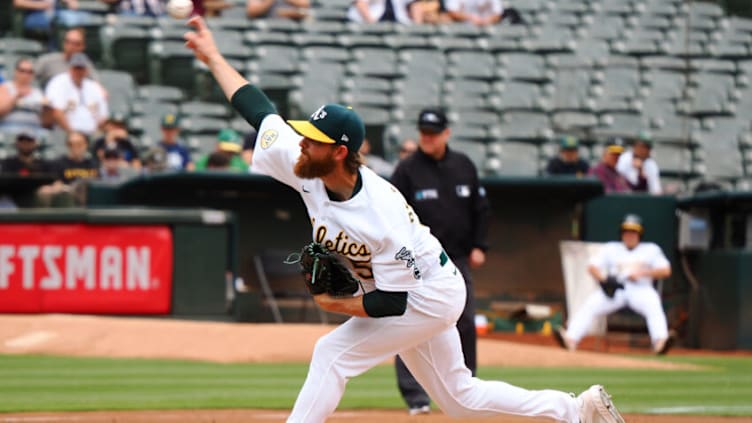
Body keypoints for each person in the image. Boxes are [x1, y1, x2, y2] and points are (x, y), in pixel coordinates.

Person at [183, 16, 626, 423]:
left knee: (331, 354)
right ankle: (576, 410)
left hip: (428, 294)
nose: (301, 143)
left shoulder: (380, 214)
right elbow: (259, 110)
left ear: (340, 152)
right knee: (460, 399)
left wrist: (334, 304)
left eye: (313, 140)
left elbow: (392, 305)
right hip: (412, 288)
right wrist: (214, 57)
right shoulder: (306, 165)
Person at [389, 107, 490, 415]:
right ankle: (416, 397)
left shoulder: (463, 165)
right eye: (423, 133)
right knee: (409, 324)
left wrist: (479, 245)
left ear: (447, 133)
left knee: (465, 321)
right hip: (417, 262)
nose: (427, 138)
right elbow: (391, 213)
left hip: (456, 257)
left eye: (433, 133)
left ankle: (466, 388)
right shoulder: (407, 170)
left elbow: (481, 209)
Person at [553, 214, 674, 355]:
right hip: (616, 290)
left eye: (633, 232)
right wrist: (604, 279)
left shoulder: (651, 249)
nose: (630, 235)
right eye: (627, 232)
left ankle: (660, 342)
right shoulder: (611, 248)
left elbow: (666, 271)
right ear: (622, 234)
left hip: (641, 289)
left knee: (653, 303)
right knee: (591, 303)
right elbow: (592, 267)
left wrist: (642, 273)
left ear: (639, 234)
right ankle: (570, 339)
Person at [44, 53, 108, 136]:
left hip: (92, 134)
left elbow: (103, 117)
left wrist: (95, 134)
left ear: (86, 70)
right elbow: (56, 112)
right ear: (70, 68)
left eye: (81, 68)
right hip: (65, 133)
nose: (78, 71)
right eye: (76, 68)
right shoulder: (59, 82)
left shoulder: (94, 87)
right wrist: (71, 133)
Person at [38, 131, 99, 206]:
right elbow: (55, 185)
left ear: (86, 144)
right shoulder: (58, 163)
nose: (75, 147)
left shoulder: (93, 164)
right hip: (66, 200)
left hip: (90, 200)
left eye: (79, 144)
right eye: (71, 144)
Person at [0, 58, 52, 138]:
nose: (25, 74)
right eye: (22, 71)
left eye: (29, 72)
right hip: (9, 132)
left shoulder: (38, 93)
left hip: (34, 134)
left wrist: (47, 109)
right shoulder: (5, 88)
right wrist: (15, 99)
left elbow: (46, 123)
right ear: (15, 71)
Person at [347, 0, 414, 24]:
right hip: (367, 22)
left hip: (396, 21)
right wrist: (372, 23)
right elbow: (361, 4)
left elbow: (414, 4)